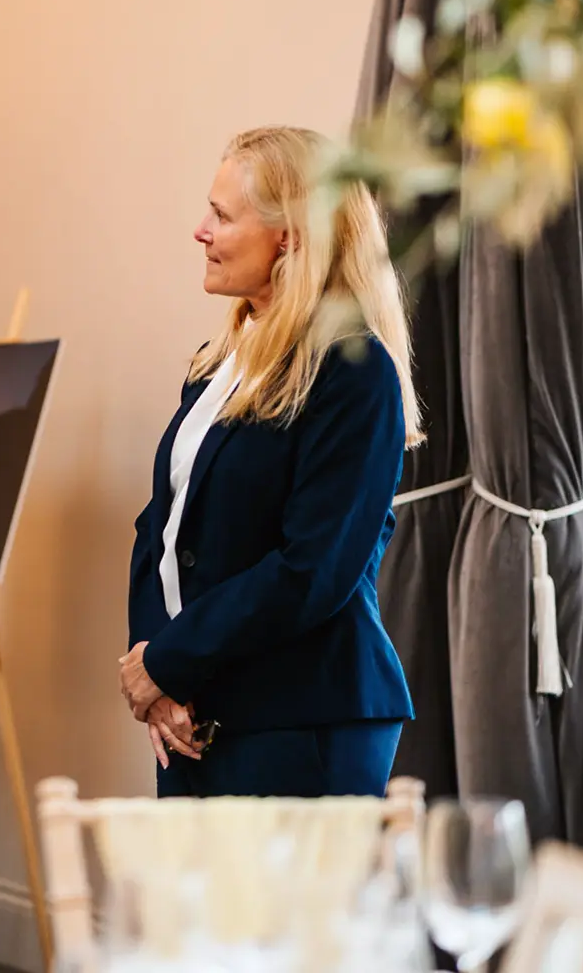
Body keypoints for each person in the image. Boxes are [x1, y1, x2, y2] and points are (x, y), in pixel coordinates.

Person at [119, 126, 422, 799]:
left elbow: (312, 569)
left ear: (288, 237)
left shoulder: (353, 370)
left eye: (223, 216)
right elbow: (159, 528)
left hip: (303, 724)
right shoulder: (218, 362)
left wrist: (169, 661)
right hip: (197, 717)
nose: (200, 231)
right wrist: (157, 677)